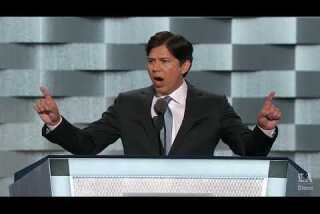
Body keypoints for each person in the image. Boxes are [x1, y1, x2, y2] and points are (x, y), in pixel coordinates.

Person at [34, 31, 281, 157]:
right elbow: (86, 145)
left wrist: (264, 129)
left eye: (164, 61)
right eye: (151, 61)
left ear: (184, 66)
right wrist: (56, 122)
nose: (155, 68)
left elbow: (249, 150)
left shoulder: (213, 106)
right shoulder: (127, 104)